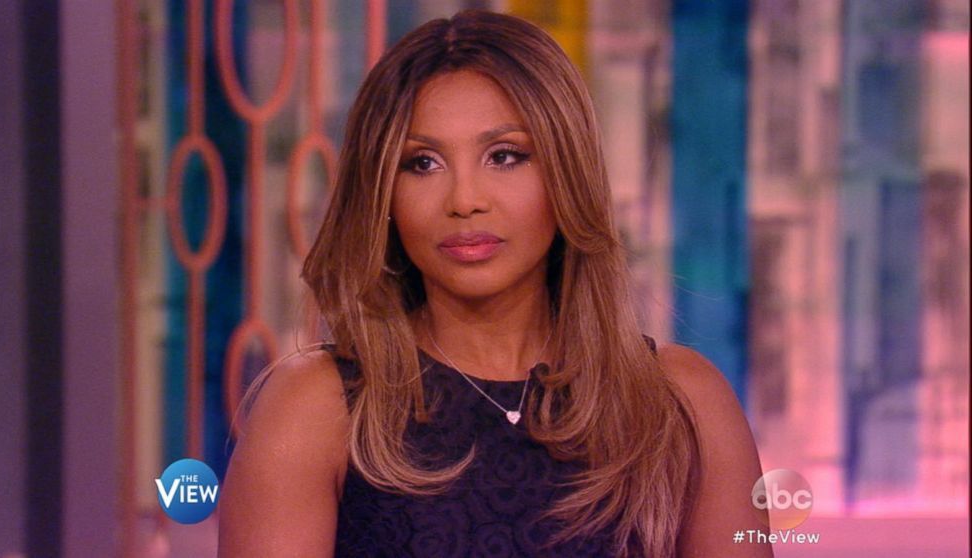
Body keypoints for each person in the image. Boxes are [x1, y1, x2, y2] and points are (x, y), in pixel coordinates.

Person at [218, 9, 770, 558]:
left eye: (505, 156)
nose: (465, 200)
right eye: (423, 163)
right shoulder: (315, 408)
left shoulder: (681, 404)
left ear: (566, 173)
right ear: (383, 192)